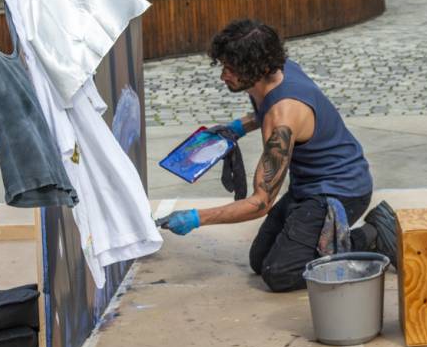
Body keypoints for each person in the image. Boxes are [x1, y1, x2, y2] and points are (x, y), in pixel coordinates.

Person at [158, 19, 397, 292]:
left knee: (280, 273)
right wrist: (238, 128)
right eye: (223, 65)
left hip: (340, 192)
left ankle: (373, 234)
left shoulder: (282, 119)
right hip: (308, 185)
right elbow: (266, 106)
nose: (224, 75)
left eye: (231, 68)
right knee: (260, 260)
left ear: (257, 68)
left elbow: (260, 203)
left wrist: (196, 218)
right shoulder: (278, 72)